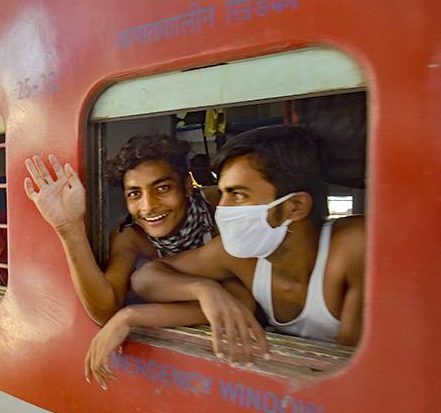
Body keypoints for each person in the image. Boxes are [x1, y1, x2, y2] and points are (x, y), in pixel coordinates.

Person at [85, 125, 365, 387]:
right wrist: (202, 290)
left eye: (238, 195)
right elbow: (145, 278)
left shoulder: (353, 247)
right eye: (222, 194)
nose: (223, 209)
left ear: (294, 206)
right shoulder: (236, 255)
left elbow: (347, 375)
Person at [24, 134, 220, 327]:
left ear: (186, 186)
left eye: (162, 188)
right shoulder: (131, 237)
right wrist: (69, 228)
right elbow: (105, 311)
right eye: (135, 194)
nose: (148, 206)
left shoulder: (219, 205)